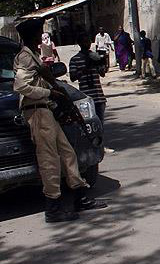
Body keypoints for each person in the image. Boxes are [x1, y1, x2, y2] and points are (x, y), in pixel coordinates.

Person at [13, 19, 105, 223]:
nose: (42, 35)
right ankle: (53, 208)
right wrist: (51, 93)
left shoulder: (33, 56)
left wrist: (55, 97)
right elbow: (21, 87)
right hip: (37, 111)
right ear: (32, 35)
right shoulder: (25, 57)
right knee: (49, 160)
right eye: (39, 32)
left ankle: (80, 196)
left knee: (67, 153)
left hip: (45, 111)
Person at [69, 33, 114, 154]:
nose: (87, 43)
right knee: (87, 125)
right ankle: (90, 146)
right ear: (79, 43)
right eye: (84, 41)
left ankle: (101, 146)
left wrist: (101, 63)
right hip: (85, 97)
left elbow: (102, 73)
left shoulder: (94, 56)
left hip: (98, 96)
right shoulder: (75, 59)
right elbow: (73, 77)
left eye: (88, 41)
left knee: (100, 124)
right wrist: (85, 68)